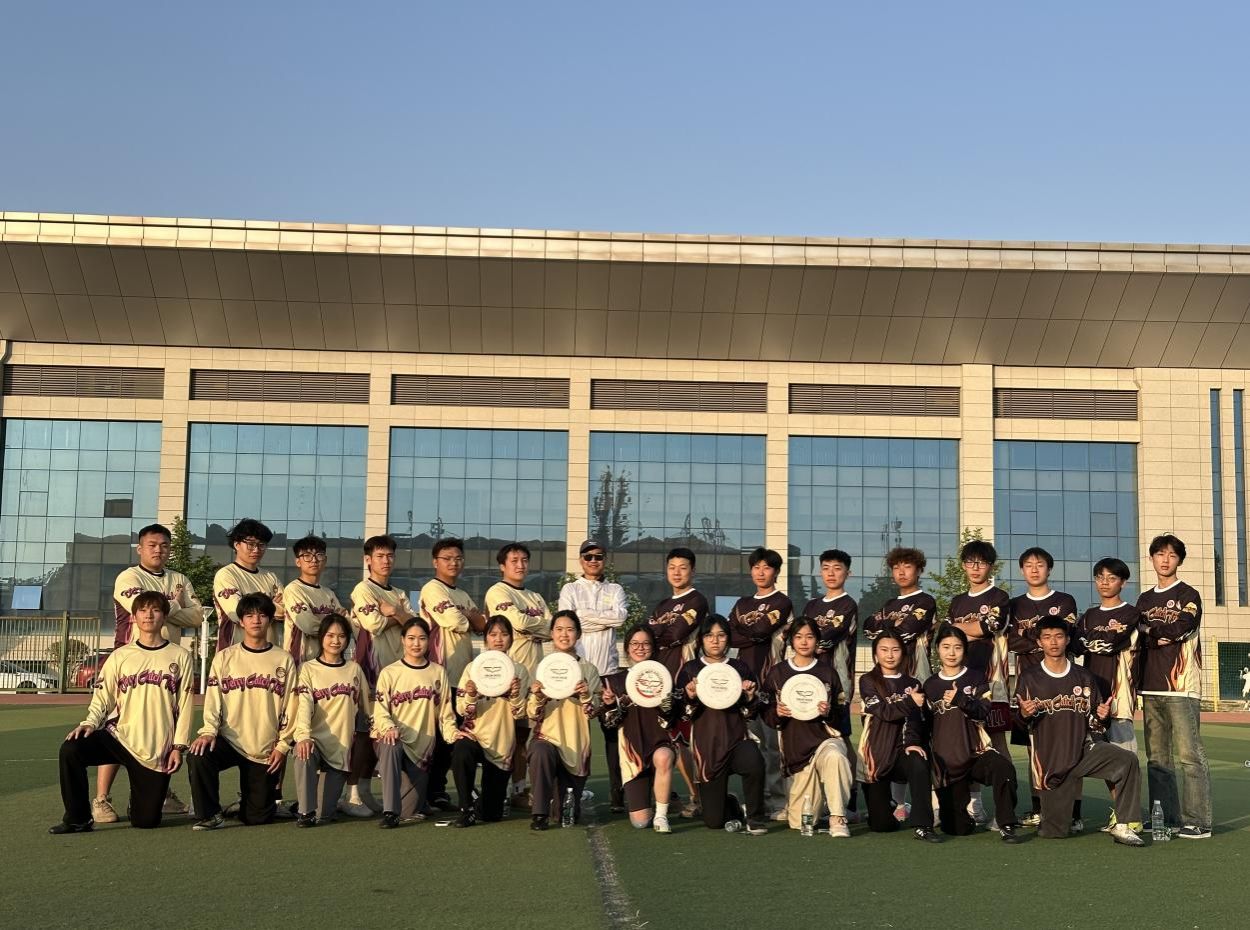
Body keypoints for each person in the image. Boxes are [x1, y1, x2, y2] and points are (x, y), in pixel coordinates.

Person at [51, 591, 194, 834]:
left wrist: (178, 747)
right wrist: (90, 722)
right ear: (134, 617)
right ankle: (77, 818)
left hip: (155, 747)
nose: (149, 615)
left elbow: (186, 703)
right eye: (143, 610)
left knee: (146, 821)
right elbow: (103, 696)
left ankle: (138, 799)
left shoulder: (180, 656)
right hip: (119, 737)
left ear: (164, 616)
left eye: (155, 610)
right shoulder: (120, 656)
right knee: (71, 749)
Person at [95, 523, 203, 824]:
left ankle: (160, 792)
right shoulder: (129, 577)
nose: (159, 550)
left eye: (164, 545)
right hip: (131, 664)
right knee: (116, 729)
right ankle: (101, 798)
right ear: (140, 549)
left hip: (166, 664)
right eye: (152, 545)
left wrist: (171, 608)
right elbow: (141, 608)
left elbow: (197, 615)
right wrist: (176, 604)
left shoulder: (179, 578)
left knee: (163, 728)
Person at [1014, 617, 1144, 846]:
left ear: (1067, 640)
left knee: (1127, 760)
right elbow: (1019, 726)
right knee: (1054, 832)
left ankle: (1123, 824)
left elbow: (1095, 724)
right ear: (1039, 642)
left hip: (1085, 752)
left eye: (1059, 636)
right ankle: (1053, 817)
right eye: (1047, 637)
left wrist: (1102, 716)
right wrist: (1024, 715)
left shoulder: (1083, 676)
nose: (1053, 642)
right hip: (1051, 762)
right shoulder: (1029, 678)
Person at [189, 593, 297, 830]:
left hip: (263, 747)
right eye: (249, 615)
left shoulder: (283, 659)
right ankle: (210, 814)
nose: (256, 620)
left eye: (262, 615)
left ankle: (245, 805)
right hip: (229, 740)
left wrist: (282, 746)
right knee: (199, 754)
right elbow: (213, 700)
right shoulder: (225, 657)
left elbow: (291, 705)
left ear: (270, 620)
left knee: (257, 818)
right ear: (241, 621)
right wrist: (208, 732)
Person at [1135, 534, 1212, 840]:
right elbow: (1138, 634)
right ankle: (1166, 819)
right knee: (1157, 759)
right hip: (1151, 687)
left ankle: (1198, 821)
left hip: (1182, 686)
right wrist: (1155, 634)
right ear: (1151, 558)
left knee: (1190, 756)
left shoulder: (1188, 594)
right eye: (1160, 554)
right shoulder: (1144, 600)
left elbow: (1182, 628)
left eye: (1171, 555)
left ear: (1179, 560)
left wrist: (1152, 631)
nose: (1165, 560)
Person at [922, 626, 1023, 842]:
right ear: (937, 649)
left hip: (977, 755)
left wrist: (961, 699)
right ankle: (961, 816)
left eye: (957, 647)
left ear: (965, 650)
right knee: (957, 829)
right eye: (946, 647)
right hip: (948, 763)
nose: (951, 653)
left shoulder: (976, 678)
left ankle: (1006, 823)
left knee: (1004, 768)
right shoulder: (930, 685)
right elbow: (926, 725)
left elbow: (983, 712)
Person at [1007, 546, 1079, 828]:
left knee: (1069, 747)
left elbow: (1067, 635)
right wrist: (1039, 640)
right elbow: (1011, 641)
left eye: (1040, 564)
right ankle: (1039, 808)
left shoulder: (1064, 601)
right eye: (1028, 565)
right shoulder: (1014, 605)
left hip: (1063, 683)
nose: (1034, 569)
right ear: (1021, 570)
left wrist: (1029, 636)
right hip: (1030, 683)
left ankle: (1073, 813)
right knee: (1033, 747)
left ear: (1049, 568)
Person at [676, 614, 768, 835]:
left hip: (737, 740)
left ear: (728, 639)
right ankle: (731, 803)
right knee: (714, 821)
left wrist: (749, 697)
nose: (715, 640)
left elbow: (752, 713)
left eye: (721, 635)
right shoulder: (690, 669)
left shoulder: (740, 668)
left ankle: (755, 818)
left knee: (754, 762)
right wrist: (690, 696)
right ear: (701, 639)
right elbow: (682, 714)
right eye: (709, 635)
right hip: (707, 747)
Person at [761, 617, 853, 838]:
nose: (804, 642)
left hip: (824, 740)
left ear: (817, 640)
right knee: (800, 822)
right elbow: (765, 711)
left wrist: (828, 712)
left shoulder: (827, 672)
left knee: (835, 757)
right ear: (791, 640)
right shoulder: (778, 672)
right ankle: (822, 798)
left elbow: (841, 714)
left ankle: (837, 816)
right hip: (795, 752)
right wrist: (777, 713)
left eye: (810, 637)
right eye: (799, 637)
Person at [559, 539, 629, 811]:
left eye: (598, 556)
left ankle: (618, 795)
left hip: (609, 674)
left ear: (604, 560)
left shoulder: (615, 589)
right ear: (581, 560)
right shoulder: (570, 588)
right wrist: (603, 618)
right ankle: (574, 791)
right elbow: (568, 621)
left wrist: (585, 616)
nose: (593, 561)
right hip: (578, 674)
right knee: (577, 734)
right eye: (588, 556)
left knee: (613, 737)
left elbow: (620, 618)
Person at [1075, 557, 1143, 833]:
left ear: (1123, 582)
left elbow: (1112, 643)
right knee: (1104, 758)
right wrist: (1093, 641)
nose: (1105, 582)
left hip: (1119, 695)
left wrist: (1091, 641)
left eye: (1111, 578)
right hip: (1092, 697)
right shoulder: (1088, 615)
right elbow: (1077, 645)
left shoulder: (1131, 614)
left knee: (1125, 757)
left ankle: (1132, 817)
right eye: (1100, 577)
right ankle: (1119, 812)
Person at [419, 536, 486, 811]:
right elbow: (455, 620)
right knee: (436, 737)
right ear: (435, 562)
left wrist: (471, 617)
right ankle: (430, 792)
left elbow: (482, 624)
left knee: (454, 736)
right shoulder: (432, 588)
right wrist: (468, 616)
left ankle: (440, 790)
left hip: (462, 676)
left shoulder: (462, 594)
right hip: (439, 674)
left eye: (458, 558)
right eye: (447, 558)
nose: (453, 563)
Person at [372, 617, 458, 829]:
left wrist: (454, 734)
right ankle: (390, 812)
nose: (416, 644)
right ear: (402, 640)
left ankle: (409, 801)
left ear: (429, 640)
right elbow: (380, 712)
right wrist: (389, 727)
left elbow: (445, 714)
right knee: (390, 744)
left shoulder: (437, 672)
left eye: (421, 638)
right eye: (411, 638)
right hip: (394, 741)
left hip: (422, 750)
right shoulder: (390, 672)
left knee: (410, 810)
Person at [485, 542, 552, 808]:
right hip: (508, 674)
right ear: (502, 565)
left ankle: (519, 789)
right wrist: (534, 627)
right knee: (505, 735)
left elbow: (552, 628)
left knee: (526, 735)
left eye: (524, 560)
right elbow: (516, 622)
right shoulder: (498, 591)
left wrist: (531, 628)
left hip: (534, 675)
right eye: (514, 560)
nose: (520, 565)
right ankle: (497, 790)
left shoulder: (535, 596)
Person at [857, 630, 941, 842]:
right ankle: (891, 805)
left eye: (895, 650)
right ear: (875, 653)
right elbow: (884, 712)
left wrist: (912, 742)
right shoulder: (867, 681)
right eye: (884, 650)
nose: (890, 655)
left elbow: (916, 720)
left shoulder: (912, 683)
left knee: (919, 761)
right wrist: (910, 701)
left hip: (902, 750)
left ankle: (923, 825)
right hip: (877, 755)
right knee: (881, 825)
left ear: (903, 653)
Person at [727, 546, 792, 808]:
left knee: (773, 746)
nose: (761, 572)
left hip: (771, 682)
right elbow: (730, 636)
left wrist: (746, 630)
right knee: (750, 744)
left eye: (766, 567)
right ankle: (756, 800)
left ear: (776, 572)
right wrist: (750, 633)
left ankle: (778, 800)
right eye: (756, 567)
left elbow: (762, 631)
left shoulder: (782, 602)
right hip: (744, 684)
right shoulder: (742, 603)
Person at [291, 614, 372, 827]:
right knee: (302, 753)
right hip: (314, 743)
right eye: (330, 635)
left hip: (340, 749)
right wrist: (303, 736)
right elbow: (304, 705)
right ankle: (304, 811)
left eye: (341, 636)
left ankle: (316, 805)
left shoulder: (354, 669)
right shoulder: (308, 668)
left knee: (324, 815)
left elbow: (368, 707)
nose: (336, 641)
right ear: (321, 637)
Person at [647, 546, 710, 817]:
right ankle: (669, 795)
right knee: (664, 738)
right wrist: (660, 632)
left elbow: (675, 634)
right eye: (672, 567)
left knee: (685, 740)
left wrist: (659, 631)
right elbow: (651, 635)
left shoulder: (697, 600)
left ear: (692, 571)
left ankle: (698, 797)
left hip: (685, 679)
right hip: (660, 679)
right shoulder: (662, 605)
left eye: (683, 568)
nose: (676, 572)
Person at [598, 625, 679, 833]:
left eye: (645, 643)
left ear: (653, 647)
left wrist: (666, 706)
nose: (640, 648)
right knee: (640, 822)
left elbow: (671, 721)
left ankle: (661, 815)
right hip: (632, 751)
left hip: (659, 743)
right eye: (635, 643)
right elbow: (609, 724)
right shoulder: (615, 681)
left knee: (663, 757)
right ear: (627, 648)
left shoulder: (664, 678)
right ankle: (654, 790)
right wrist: (610, 704)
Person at [527, 610, 602, 831]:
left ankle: (556, 798)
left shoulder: (589, 669)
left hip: (575, 747)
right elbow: (532, 713)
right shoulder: (542, 668)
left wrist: (585, 695)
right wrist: (538, 696)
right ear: (551, 633)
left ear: (578, 634)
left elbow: (593, 711)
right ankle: (539, 813)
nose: (564, 634)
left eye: (570, 630)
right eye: (559, 629)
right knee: (540, 751)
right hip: (547, 737)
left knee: (565, 816)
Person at [451, 615, 528, 827]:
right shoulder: (472, 668)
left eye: (504, 634)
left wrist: (515, 695)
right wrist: (471, 696)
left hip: (501, 745)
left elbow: (520, 714)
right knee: (461, 749)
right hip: (474, 735)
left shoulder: (519, 671)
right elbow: (461, 709)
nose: (498, 639)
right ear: (485, 639)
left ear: (511, 639)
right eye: (493, 634)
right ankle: (466, 808)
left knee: (491, 815)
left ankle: (479, 801)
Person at [798, 548, 859, 816]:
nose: (831, 573)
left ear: (848, 573)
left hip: (837, 683)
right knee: (811, 734)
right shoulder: (812, 606)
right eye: (826, 568)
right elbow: (800, 637)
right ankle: (817, 797)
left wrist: (809, 640)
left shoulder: (848, 605)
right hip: (809, 679)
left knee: (841, 736)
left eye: (837, 568)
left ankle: (851, 797)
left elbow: (824, 640)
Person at [864, 547, 937, 681]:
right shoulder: (889, 604)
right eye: (896, 568)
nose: (901, 572)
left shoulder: (925, 601)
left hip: (915, 674)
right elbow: (868, 629)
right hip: (888, 676)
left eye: (907, 567)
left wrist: (884, 626)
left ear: (919, 570)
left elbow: (907, 631)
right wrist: (893, 622)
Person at [213, 518, 285, 650]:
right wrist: (272, 604)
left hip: (269, 651)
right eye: (251, 544)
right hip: (235, 651)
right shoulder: (226, 575)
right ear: (236, 544)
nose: (256, 549)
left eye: (261, 545)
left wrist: (253, 606)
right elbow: (237, 613)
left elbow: (287, 611)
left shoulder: (271, 577)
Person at [351, 534, 414, 680]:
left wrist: (394, 611)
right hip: (372, 667)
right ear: (368, 559)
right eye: (380, 556)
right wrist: (401, 616)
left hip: (401, 667)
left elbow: (414, 626)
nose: (386, 561)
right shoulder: (364, 589)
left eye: (390, 556)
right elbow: (374, 624)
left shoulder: (400, 593)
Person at [283, 534, 348, 665]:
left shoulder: (329, 593)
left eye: (319, 555)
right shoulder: (294, 589)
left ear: (325, 560)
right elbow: (308, 625)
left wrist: (334, 623)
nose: (314, 560)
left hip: (328, 659)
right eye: (307, 556)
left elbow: (345, 622)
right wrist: (334, 624)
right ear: (298, 562)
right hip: (301, 660)